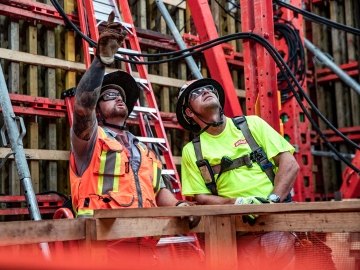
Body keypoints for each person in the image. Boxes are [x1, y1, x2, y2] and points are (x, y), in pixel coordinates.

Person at [68, 12, 200, 265]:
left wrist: (180, 208)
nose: (119, 98)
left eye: (121, 96)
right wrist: (101, 62)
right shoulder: (89, 141)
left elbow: (160, 192)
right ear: (98, 109)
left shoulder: (146, 151)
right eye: (109, 96)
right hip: (101, 248)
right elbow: (83, 107)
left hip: (146, 248)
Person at [176, 78, 301, 268]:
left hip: (278, 227)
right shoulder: (192, 151)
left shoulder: (252, 125)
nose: (205, 91)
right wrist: (239, 204)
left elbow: (289, 164)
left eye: (208, 88)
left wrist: (271, 202)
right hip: (236, 235)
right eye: (195, 93)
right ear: (189, 112)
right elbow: (201, 197)